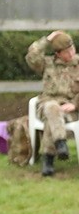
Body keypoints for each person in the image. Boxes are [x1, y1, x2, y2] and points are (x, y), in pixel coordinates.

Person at [25, 30, 79, 176]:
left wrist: (75, 104)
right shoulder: (47, 64)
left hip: (71, 110)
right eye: (67, 52)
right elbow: (31, 56)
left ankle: (48, 160)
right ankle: (60, 143)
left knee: (52, 118)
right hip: (47, 104)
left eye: (72, 49)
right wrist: (47, 40)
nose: (71, 54)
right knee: (52, 108)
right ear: (58, 53)